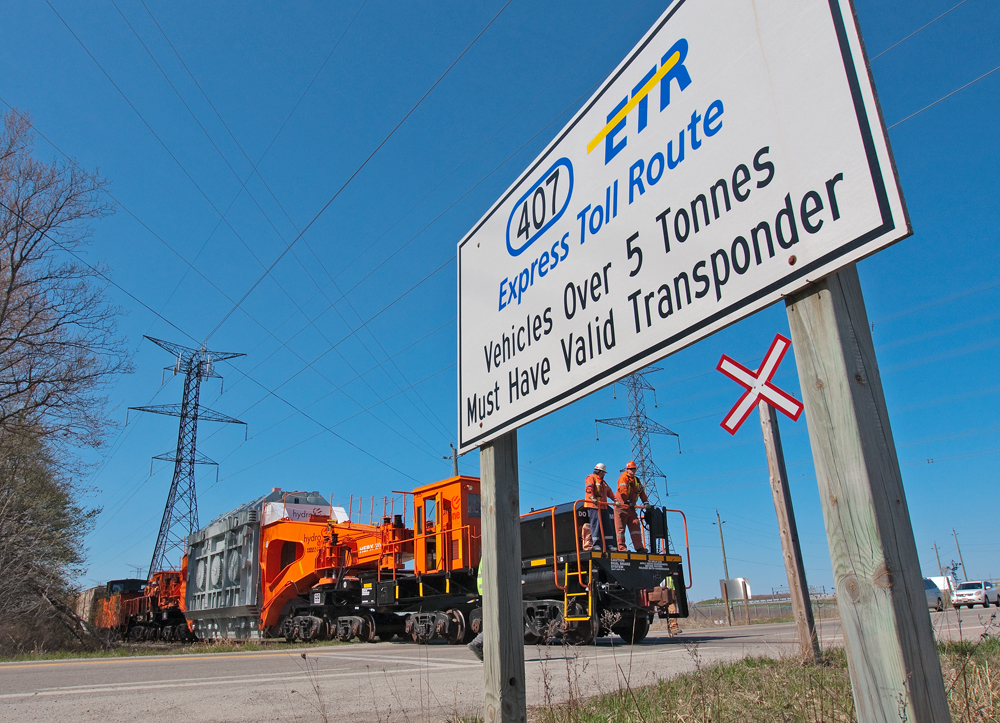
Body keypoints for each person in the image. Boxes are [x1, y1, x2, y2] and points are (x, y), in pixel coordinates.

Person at [614, 461, 650, 553]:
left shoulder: (637, 481)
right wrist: (627, 501)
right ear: (627, 469)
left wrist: (646, 502)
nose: (633, 471)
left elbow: (641, 492)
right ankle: (621, 548)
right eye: (631, 469)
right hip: (621, 507)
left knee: (635, 525)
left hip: (631, 508)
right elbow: (623, 491)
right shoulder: (623, 478)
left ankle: (639, 547)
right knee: (620, 529)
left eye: (634, 469)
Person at [582, 463, 614, 551]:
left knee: (607, 525)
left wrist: (615, 499)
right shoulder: (591, 478)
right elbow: (589, 489)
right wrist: (592, 498)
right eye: (603, 472)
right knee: (595, 525)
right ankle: (596, 544)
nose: (604, 474)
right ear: (600, 472)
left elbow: (609, 492)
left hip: (603, 506)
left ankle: (609, 545)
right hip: (593, 506)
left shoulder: (603, 482)